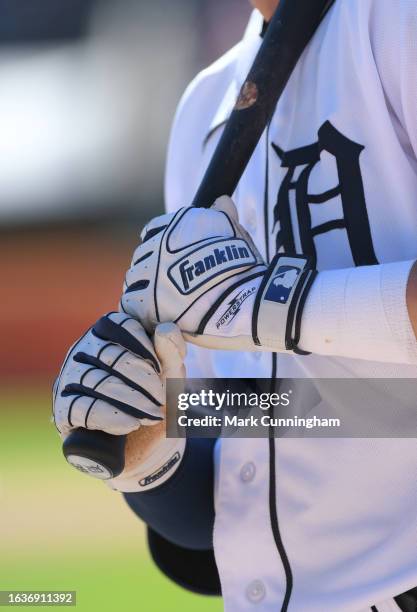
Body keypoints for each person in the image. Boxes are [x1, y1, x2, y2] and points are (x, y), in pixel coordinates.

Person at [53, 0, 417, 610]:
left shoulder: (393, 22)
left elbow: (259, 315)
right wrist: (152, 463)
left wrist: (278, 307)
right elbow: (269, 426)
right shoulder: (207, 102)